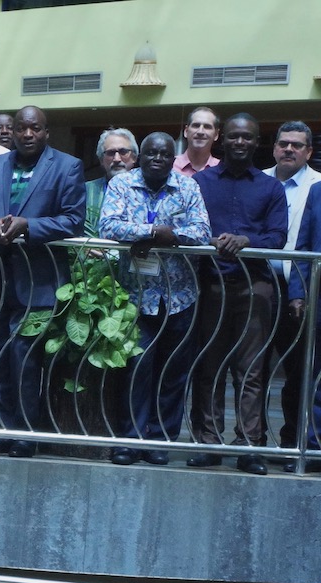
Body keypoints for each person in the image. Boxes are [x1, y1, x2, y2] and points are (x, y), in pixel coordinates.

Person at [0, 105, 86, 458]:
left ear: (46, 132)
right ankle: (3, 429)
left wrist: (30, 227)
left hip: (38, 281)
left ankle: (25, 432)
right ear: (12, 131)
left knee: (24, 357)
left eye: (35, 128)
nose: (27, 134)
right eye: (22, 128)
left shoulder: (67, 166)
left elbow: (73, 221)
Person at [99, 132, 210, 467]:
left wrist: (171, 237)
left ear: (172, 157)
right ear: (140, 156)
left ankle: (160, 439)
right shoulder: (121, 185)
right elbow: (108, 226)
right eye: (151, 153)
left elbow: (203, 232)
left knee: (173, 371)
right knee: (137, 368)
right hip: (136, 296)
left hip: (180, 297)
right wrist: (149, 233)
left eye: (164, 154)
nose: (157, 159)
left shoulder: (188, 187)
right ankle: (130, 439)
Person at [189, 113, 288, 475]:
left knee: (251, 372)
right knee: (209, 368)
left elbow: (278, 237)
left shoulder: (270, 187)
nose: (240, 143)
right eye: (233, 137)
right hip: (211, 285)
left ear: (257, 141)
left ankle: (249, 444)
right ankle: (208, 442)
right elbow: (191, 228)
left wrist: (247, 241)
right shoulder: (200, 182)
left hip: (254, 287)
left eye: (247, 137)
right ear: (222, 140)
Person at [268, 121, 321, 449]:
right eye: (284, 143)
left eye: (297, 145)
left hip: (300, 291)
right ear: (274, 147)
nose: (289, 149)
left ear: (309, 152)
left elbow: (303, 245)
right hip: (259, 285)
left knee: (300, 372)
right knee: (253, 372)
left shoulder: (317, 186)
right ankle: (254, 441)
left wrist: (299, 293)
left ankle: (296, 443)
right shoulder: (259, 180)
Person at [85, 128, 138, 237]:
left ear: (134, 157)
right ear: (101, 160)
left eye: (123, 152)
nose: (117, 159)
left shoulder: (147, 190)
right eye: (110, 153)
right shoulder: (85, 190)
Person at [174, 107, 221, 177]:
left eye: (207, 127)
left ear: (216, 135)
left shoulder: (222, 170)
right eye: (196, 125)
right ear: (186, 131)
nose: (200, 132)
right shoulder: (170, 166)